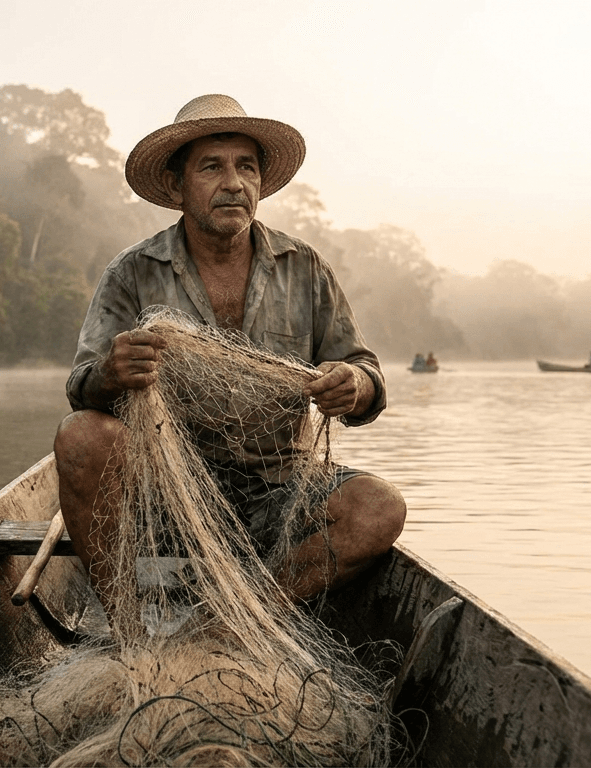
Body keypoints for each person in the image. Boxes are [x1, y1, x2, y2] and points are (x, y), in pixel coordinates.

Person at [53, 94, 406, 606]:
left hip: (280, 491)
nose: (234, 183)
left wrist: (354, 384)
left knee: (379, 508)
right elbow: (81, 387)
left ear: (260, 182)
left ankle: (240, 620)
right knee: (81, 436)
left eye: (246, 167)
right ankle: (128, 622)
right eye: (212, 167)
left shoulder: (304, 267)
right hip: (168, 496)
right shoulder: (133, 272)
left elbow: (366, 374)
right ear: (176, 186)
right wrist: (111, 372)